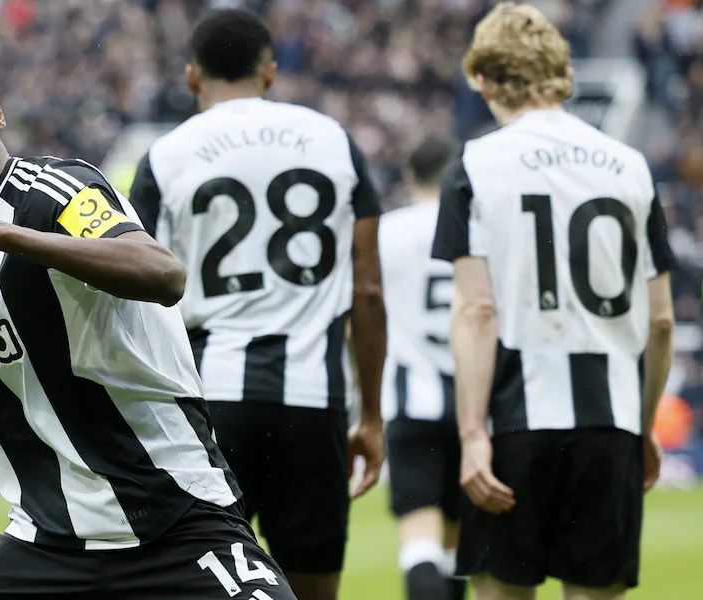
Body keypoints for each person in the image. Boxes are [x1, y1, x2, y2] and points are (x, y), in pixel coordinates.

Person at [0, 44, 297, 600]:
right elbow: (37, 408)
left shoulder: (57, 189)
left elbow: (161, 273)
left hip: (173, 519)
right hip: (50, 544)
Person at [128, 10, 385, 600]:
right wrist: (369, 416)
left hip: (207, 404)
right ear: (270, 73)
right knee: (312, 586)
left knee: (204, 584)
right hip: (313, 399)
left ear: (193, 77)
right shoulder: (332, 140)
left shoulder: (167, 153)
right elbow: (367, 291)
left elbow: (135, 290)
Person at [431, 4, 675, 600]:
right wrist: (641, 426)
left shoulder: (475, 163)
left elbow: (476, 310)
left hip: (519, 419)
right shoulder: (630, 167)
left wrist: (470, 434)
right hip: (611, 420)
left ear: (485, 78)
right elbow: (662, 321)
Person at [379, 135, 465, 600]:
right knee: (457, 546)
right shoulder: (479, 229)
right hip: (476, 407)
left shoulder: (388, 230)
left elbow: (365, 309)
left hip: (413, 400)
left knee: (421, 544)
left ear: (410, 176)